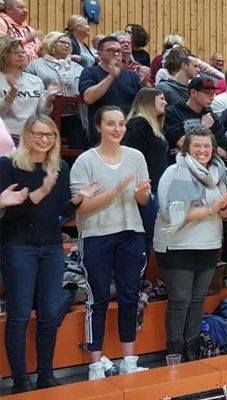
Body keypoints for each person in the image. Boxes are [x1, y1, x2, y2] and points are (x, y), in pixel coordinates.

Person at [0, 116, 98, 393]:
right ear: (26, 135)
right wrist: (40, 191)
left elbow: (58, 214)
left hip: (52, 247)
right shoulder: (8, 165)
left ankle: (46, 374)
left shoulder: (60, 166)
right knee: (19, 316)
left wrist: (78, 200)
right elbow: (13, 211)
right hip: (18, 246)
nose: (44, 140)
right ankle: (20, 381)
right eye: (38, 134)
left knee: (48, 314)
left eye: (50, 135)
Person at [70, 106, 151, 379]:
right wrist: (116, 190)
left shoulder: (136, 156)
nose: (117, 129)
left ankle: (129, 360)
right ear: (98, 127)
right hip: (96, 234)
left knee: (130, 296)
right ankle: (95, 364)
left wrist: (142, 193)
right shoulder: (84, 161)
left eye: (120, 124)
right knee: (98, 298)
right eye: (110, 124)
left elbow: (142, 201)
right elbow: (81, 208)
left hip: (131, 232)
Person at [153, 126, 227, 360]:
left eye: (207, 146)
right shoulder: (180, 171)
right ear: (187, 147)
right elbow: (176, 214)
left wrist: (224, 206)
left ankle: (193, 350)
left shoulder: (219, 173)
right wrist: (212, 208)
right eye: (197, 145)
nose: (202, 150)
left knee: (198, 301)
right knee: (180, 302)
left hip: (208, 245)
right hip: (178, 247)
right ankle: (174, 353)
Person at [122, 88, 168, 251]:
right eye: (161, 99)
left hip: (155, 188)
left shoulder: (153, 125)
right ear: (148, 101)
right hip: (145, 189)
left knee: (151, 237)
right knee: (145, 237)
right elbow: (130, 157)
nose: (165, 102)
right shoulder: (138, 124)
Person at [24, 31, 86, 149]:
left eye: (69, 44)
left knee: (77, 148)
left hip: (74, 116)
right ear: (51, 43)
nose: (67, 45)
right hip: (47, 115)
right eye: (62, 42)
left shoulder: (79, 68)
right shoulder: (35, 65)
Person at [79, 36, 144, 146]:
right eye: (110, 50)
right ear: (99, 54)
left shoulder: (132, 75)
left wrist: (146, 82)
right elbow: (88, 98)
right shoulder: (90, 72)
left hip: (130, 132)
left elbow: (142, 104)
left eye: (118, 50)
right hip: (101, 133)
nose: (116, 53)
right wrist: (111, 77)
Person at [0, 36, 57, 144]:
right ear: (3, 54)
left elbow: (42, 114)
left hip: (31, 135)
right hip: (4, 135)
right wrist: (11, 94)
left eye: (23, 52)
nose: (21, 55)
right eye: (15, 52)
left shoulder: (35, 81)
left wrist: (49, 99)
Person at [164, 76, 226, 159]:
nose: (212, 98)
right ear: (193, 93)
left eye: (213, 93)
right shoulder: (174, 112)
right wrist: (202, 127)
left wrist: (186, 150)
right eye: (208, 93)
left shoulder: (211, 116)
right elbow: (181, 143)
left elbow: (223, 152)